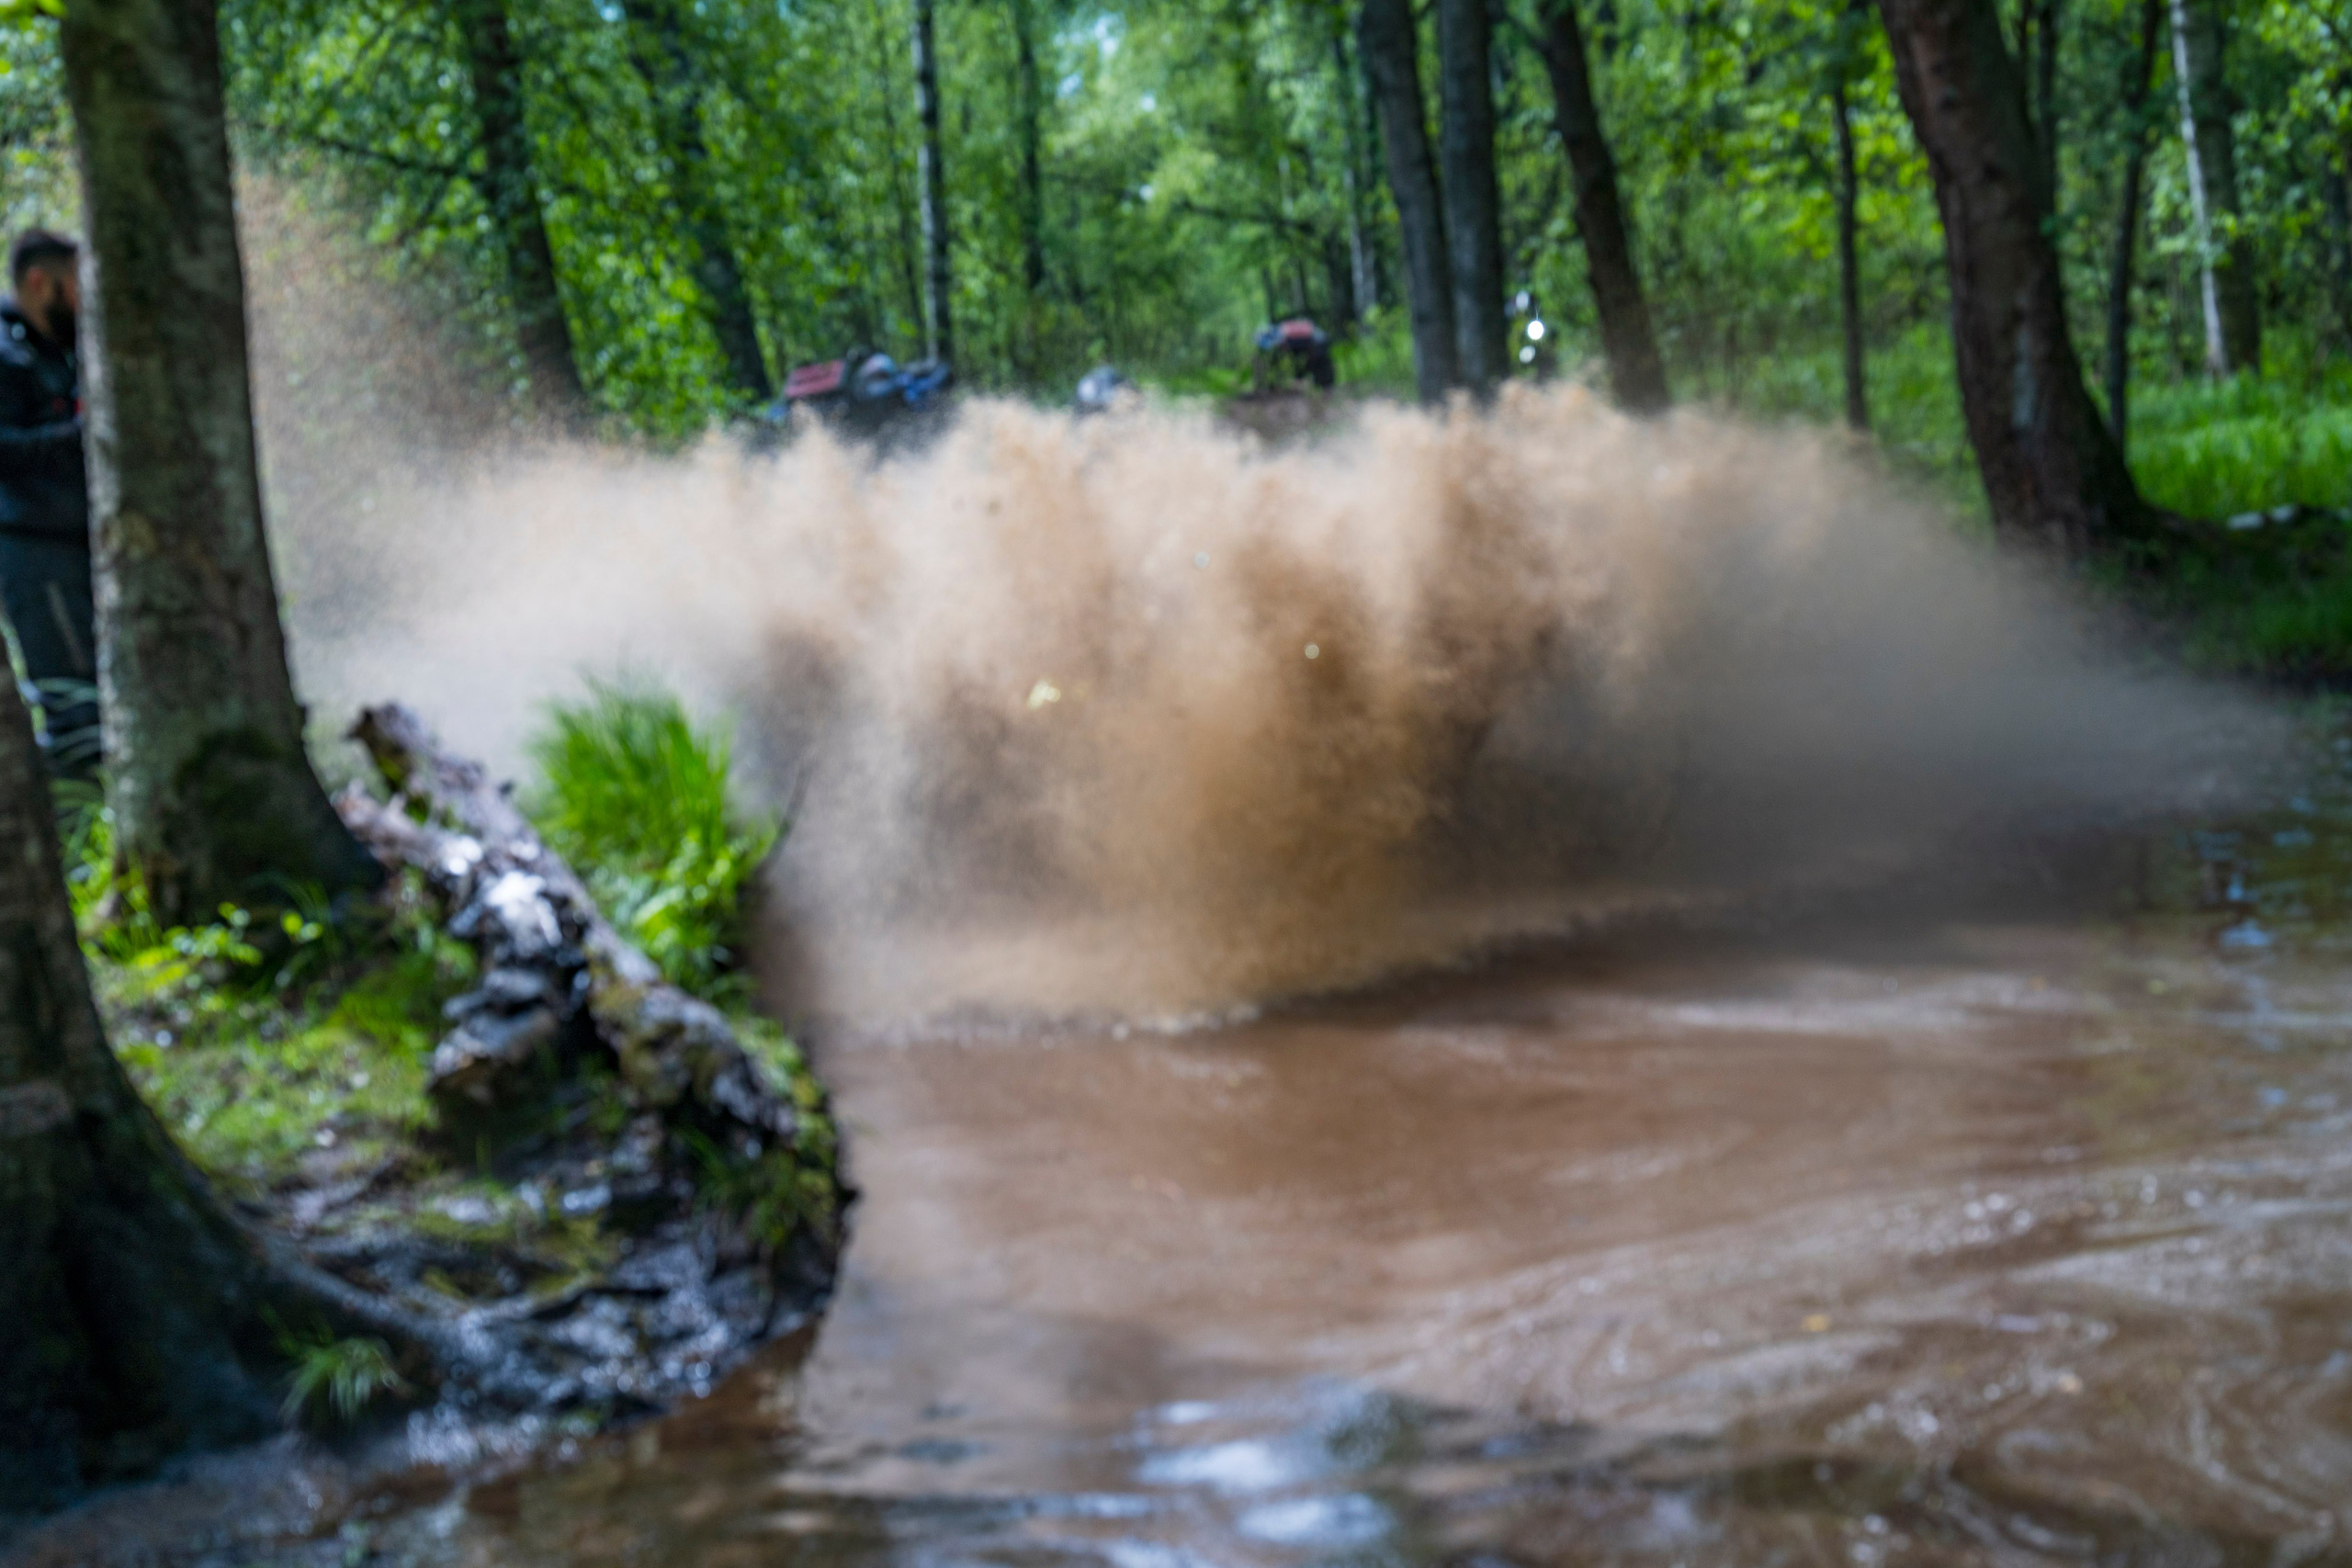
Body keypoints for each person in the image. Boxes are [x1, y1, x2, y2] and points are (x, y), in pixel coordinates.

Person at [0, 228, 95, 775]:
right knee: (74, 710)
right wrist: (81, 434)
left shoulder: (66, 350)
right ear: (40, 283)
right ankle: (84, 847)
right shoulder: (5, 354)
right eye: (76, 287)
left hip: (80, 543)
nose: (84, 301)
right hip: (33, 553)